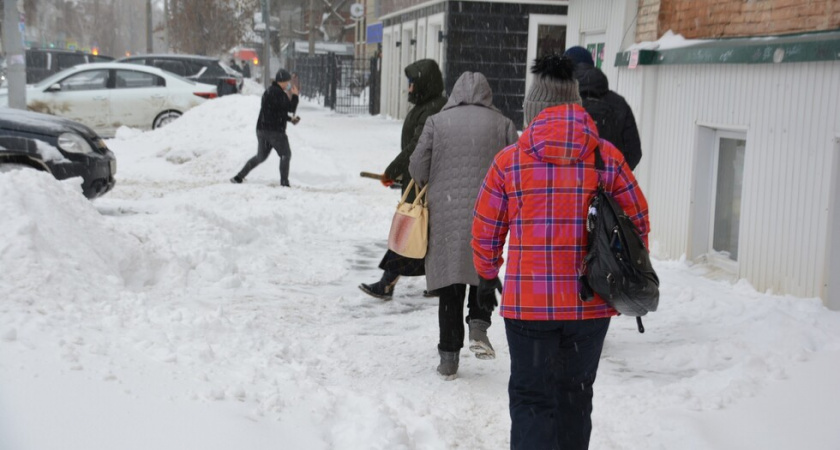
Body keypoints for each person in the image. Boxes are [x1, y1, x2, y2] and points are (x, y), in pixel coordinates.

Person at [471, 54, 650, 449]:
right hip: (590, 306)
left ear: (533, 112)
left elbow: (486, 229)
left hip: (528, 307)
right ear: (577, 108)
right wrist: (618, 274)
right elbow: (637, 223)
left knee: (532, 399)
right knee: (575, 397)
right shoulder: (608, 160)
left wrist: (487, 273)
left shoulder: (510, 162)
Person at [408, 71, 518, 378]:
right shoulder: (504, 125)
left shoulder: (436, 122)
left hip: (447, 210)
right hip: (490, 211)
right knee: (484, 267)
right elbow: (517, 167)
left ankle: (448, 356)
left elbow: (417, 166)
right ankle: (479, 324)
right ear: (487, 93)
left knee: (451, 281)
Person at [358, 59, 447, 300]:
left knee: (410, 231)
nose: (409, 89)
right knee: (425, 232)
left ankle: (387, 284)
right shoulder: (428, 105)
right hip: (417, 177)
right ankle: (436, 283)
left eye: (412, 84)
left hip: (422, 181)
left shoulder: (432, 109)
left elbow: (415, 147)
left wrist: (392, 170)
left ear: (424, 84)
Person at [563, 46, 643, 170]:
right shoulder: (618, 103)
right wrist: (614, 177)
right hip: (609, 186)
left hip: (569, 185)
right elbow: (634, 152)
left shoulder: (561, 102)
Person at [231, 69, 299, 187]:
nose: (289, 84)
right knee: (285, 155)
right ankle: (284, 183)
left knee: (260, 157)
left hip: (262, 130)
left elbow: (276, 112)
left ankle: (239, 176)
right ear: (282, 82)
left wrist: (290, 119)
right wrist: (295, 96)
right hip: (275, 132)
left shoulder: (268, 92)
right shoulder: (279, 94)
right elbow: (290, 109)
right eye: (288, 81)